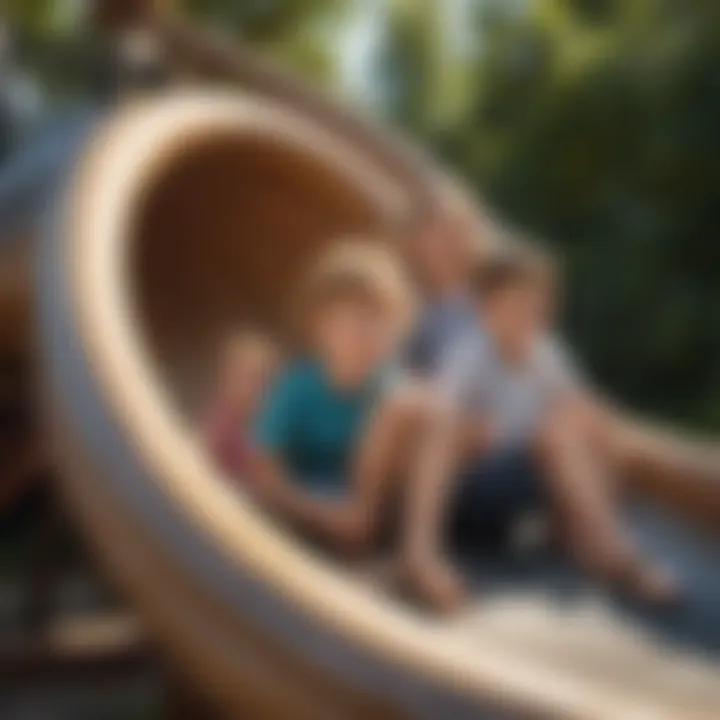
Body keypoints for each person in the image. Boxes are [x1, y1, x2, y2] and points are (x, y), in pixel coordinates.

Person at [401, 247, 679, 611]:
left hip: (527, 493)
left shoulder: (547, 354)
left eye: (537, 304)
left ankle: (605, 547)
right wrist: (474, 431)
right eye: (515, 304)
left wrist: (598, 435)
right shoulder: (469, 354)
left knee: (573, 425)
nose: (527, 314)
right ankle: (420, 554)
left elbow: (583, 411)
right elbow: (438, 414)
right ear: (484, 310)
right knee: (447, 430)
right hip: (472, 488)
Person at [251, 240, 427, 557]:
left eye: (382, 324)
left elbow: (422, 413)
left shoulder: (389, 387)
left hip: (366, 507)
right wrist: (319, 513)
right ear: (320, 328)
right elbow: (266, 470)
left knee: (410, 409)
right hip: (306, 498)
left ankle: (398, 545)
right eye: (356, 322)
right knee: (260, 502)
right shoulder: (298, 384)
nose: (369, 337)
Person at [202, 330, 281, 481]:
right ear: (226, 379)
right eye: (250, 377)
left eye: (265, 379)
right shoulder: (220, 425)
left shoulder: (268, 420)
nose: (257, 387)